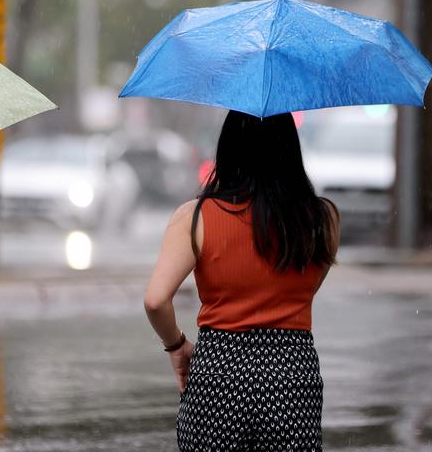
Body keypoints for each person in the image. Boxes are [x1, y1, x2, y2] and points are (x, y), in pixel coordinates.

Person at [144, 111, 339, 452]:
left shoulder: (195, 217)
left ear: (228, 148)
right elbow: (307, 289)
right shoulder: (322, 218)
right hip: (291, 372)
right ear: (290, 149)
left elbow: (156, 301)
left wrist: (177, 346)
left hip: (220, 370)